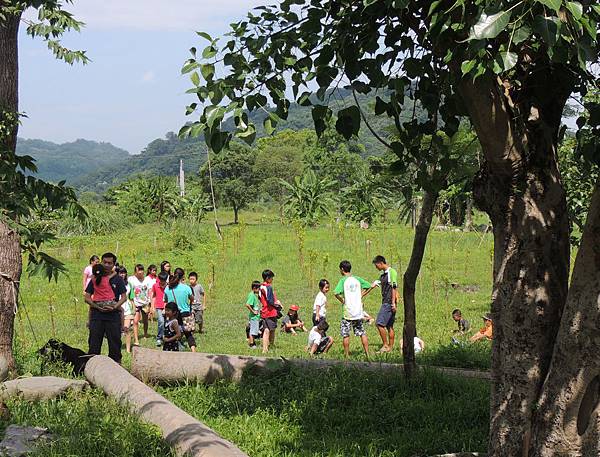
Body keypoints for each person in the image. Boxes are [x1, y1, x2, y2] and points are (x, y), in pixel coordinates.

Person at [84, 252, 127, 363]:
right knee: (94, 345)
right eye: (105, 262)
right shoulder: (95, 278)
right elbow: (87, 297)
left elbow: (124, 297)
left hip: (113, 316)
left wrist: (115, 307)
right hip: (97, 316)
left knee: (115, 345)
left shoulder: (118, 279)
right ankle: (91, 368)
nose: (107, 265)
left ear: (113, 264)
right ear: (101, 262)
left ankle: (116, 369)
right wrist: (96, 306)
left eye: (110, 263)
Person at [334, 260, 377, 358]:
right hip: (358, 312)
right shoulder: (357, 279)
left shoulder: (343, 281)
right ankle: (367, 354)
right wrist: (360, 295)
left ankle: (346, 355)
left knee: (346, 334)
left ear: (342, 269)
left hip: (347, 312)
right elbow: (369, 286)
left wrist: (342, 300)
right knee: (362, 333)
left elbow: (336, 293)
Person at [164, 268, 196, 352]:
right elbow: (192, 298)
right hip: (185, 314)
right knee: (188, 334)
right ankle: (193, 351)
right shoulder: (186, 288)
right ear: (183, 277)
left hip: (173, 315)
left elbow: (166, 301)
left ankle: (175, 350)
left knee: (173, 333)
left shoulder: (168, 288)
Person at [372, 255, 399, 353]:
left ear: (380, 263)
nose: (376, 268)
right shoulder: (383, 275)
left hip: (388, 302)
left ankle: (385, 345)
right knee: (389, 326)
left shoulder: (391, 272)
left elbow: (394, 287)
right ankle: (390, 348)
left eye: (376, 265)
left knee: (379, 323)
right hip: (387, 302)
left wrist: (393, 303)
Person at [128, 264, 153, 346]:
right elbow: (130, 291)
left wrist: (150, 303)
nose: (140, 272)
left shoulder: (147, 280)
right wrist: (132, 303)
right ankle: (136, 339)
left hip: (145, 303)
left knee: (145, 321)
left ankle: (145, 334)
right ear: (135, 272)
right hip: (136, 303)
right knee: (135, 321)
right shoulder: (131, 279)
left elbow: (150, 291)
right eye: (138, 270)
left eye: (142, 270)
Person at [259, 269, 281, 353]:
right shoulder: (268, 287)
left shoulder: (261, 286)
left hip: (264, 311)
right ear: (268, 278)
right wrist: (277, 306)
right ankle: (270, 345)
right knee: (271, 330)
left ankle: (265, 348)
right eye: (272, 278)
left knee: (266, 329)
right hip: (270, 312)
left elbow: (260, 298)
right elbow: (270, 300)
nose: (272, 280)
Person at [117, 267, 135, 353]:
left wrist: (134, 308)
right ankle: (117, 347)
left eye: (124, 273)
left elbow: (131, 298)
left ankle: (128, 349)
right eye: (120, 273)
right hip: (117, 308)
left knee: (127, 328)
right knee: (117, 329)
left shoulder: (129, 284)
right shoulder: (114, 283)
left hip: (127, 308)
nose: (122, 274)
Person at [151, 271, 168, 347]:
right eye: (161, 280)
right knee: (161, 321)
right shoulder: (155, 286)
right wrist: (152, 306)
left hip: (167, 307)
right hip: (159, 306)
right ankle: (159, 338)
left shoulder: (168, 286)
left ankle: (166, 337)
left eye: (164, 281)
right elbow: (153, 296)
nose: (162, 282)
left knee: (167, 323)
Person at [245, 281, 261, 348]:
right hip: (254, 317)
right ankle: (252, 344)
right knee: (253, 331)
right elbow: (247, 304)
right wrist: (253, 311)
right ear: (254, 288)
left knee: (254, 330)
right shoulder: (251, 295)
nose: (259, 290)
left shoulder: (254, 295)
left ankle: (252, 342)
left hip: (256, 317)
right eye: (258, 289)